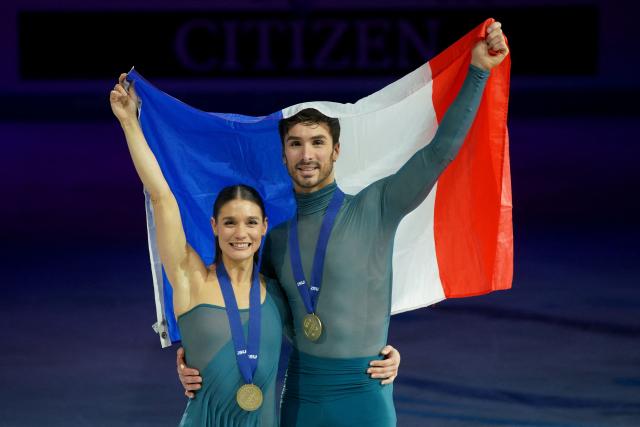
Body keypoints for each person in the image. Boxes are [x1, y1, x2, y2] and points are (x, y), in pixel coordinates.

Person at [178, 20, 509, 426]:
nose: (306, 154)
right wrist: (197, 357)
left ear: (336, 151)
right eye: (295, 144)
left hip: (365, 392)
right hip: (301, 396)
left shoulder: (377, 207)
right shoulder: (275, 240)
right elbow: (245, 310)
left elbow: (439, 152)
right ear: (283, 157)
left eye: (317, 142)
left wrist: (477, 70)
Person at [111, 79, 294, 425]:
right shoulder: (189, 278)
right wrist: (129, 123)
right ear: (213, 226)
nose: (241, 233)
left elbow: (328, 344)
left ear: (265, 226)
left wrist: (385, 356)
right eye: (230, 223)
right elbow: (162, 195)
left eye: (251, 223)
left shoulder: (276, 293)